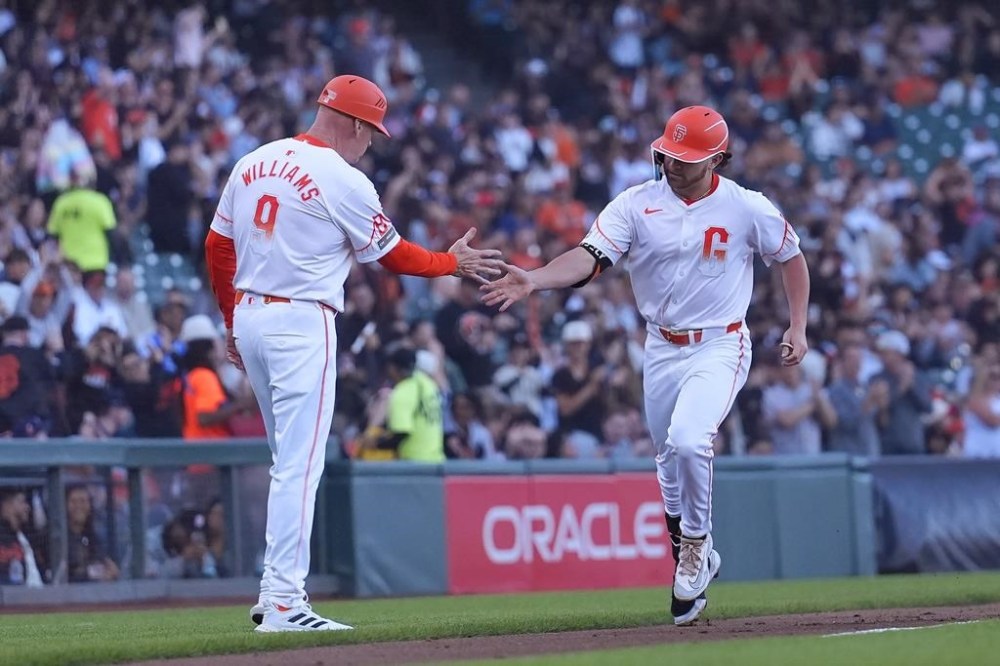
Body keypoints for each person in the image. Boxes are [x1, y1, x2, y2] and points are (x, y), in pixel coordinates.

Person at [482, 105, 810, 626]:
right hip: (660, 345)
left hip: (720, 342)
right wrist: (536, 279)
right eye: (667, 153)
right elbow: (590, 257)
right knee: (665, 456)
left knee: (688, 440)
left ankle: (697, 546)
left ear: (718, 159)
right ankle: (687, 538)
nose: (672, 163)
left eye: (685, 157)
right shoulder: (636, 204)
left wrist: (797, 325)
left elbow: (791, 256)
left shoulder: (748, 207)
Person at [204, 74, 502, 633]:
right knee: (300, 464)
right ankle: (285, 601)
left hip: (250, 315)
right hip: (300, 321)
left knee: (286, 462)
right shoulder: (344, 178)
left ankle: (276, 596)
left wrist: (229, 322)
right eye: (373, 132)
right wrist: (451, 263)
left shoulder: (253, 160)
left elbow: (217, 246)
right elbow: (393, 256)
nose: (372, 143)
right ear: (357, 123)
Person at [65, 485, 120, 583]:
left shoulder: (93, 537)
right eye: (73, 501)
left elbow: (107, 565)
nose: (78, 506)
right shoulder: (57, 539)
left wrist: (111, 572)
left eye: (83, 501)